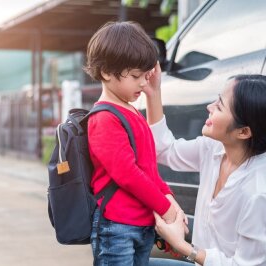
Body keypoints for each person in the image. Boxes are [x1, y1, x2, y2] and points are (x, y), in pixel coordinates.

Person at [143, 67, 266, 265]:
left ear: (243, 132)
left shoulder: (258, 192)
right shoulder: (214, 148)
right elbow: (164, 150)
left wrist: (181, 245)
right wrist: (153, 91)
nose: (209, 106)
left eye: (220, 107)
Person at [84, 21, 182, 266]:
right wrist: (165, 208)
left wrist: (169, 197)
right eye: (136, 76)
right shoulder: (104, 118)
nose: (142, 83)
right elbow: (128, 174)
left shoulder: (131, 113)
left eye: (145, 75)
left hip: (141, 223)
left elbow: (148, 167)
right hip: (117, 227)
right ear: (107, 72)